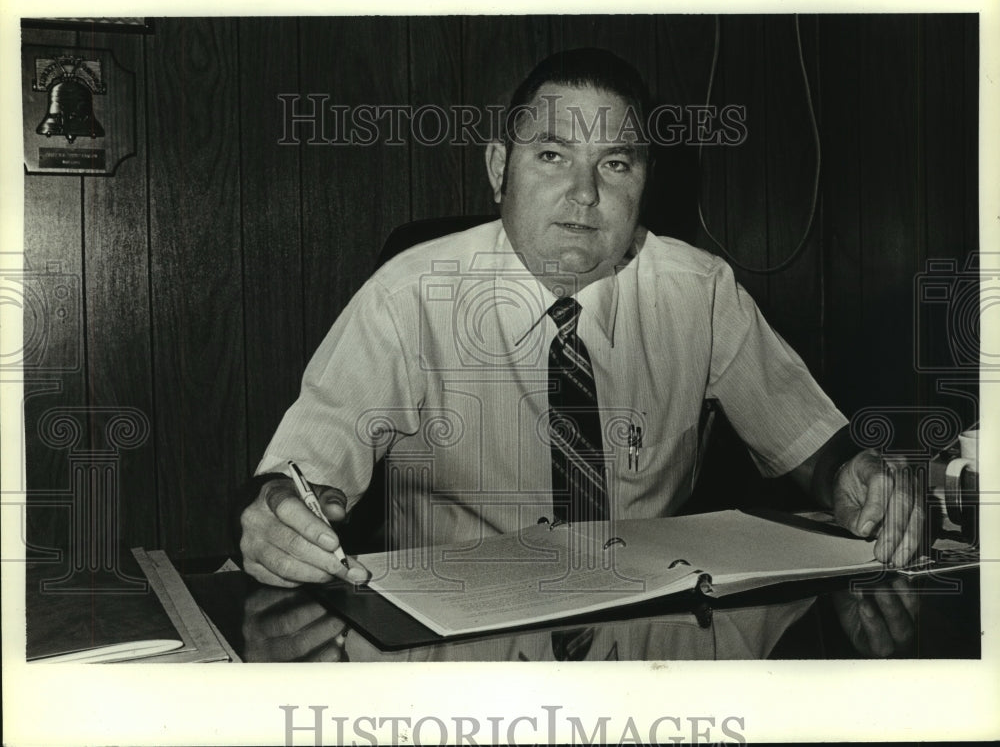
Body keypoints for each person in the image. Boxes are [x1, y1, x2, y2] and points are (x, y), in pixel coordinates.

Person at [238, 48, 923, 589]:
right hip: (459, 640)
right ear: (500, 169)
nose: (585, 194)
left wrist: (855, 476)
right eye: (553, 156)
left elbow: (815, 448)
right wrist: (280, 516)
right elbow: (302, 474)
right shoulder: (407, 294)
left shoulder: (702, 291)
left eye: (615, 164)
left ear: (643, 185)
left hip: (650, 626)